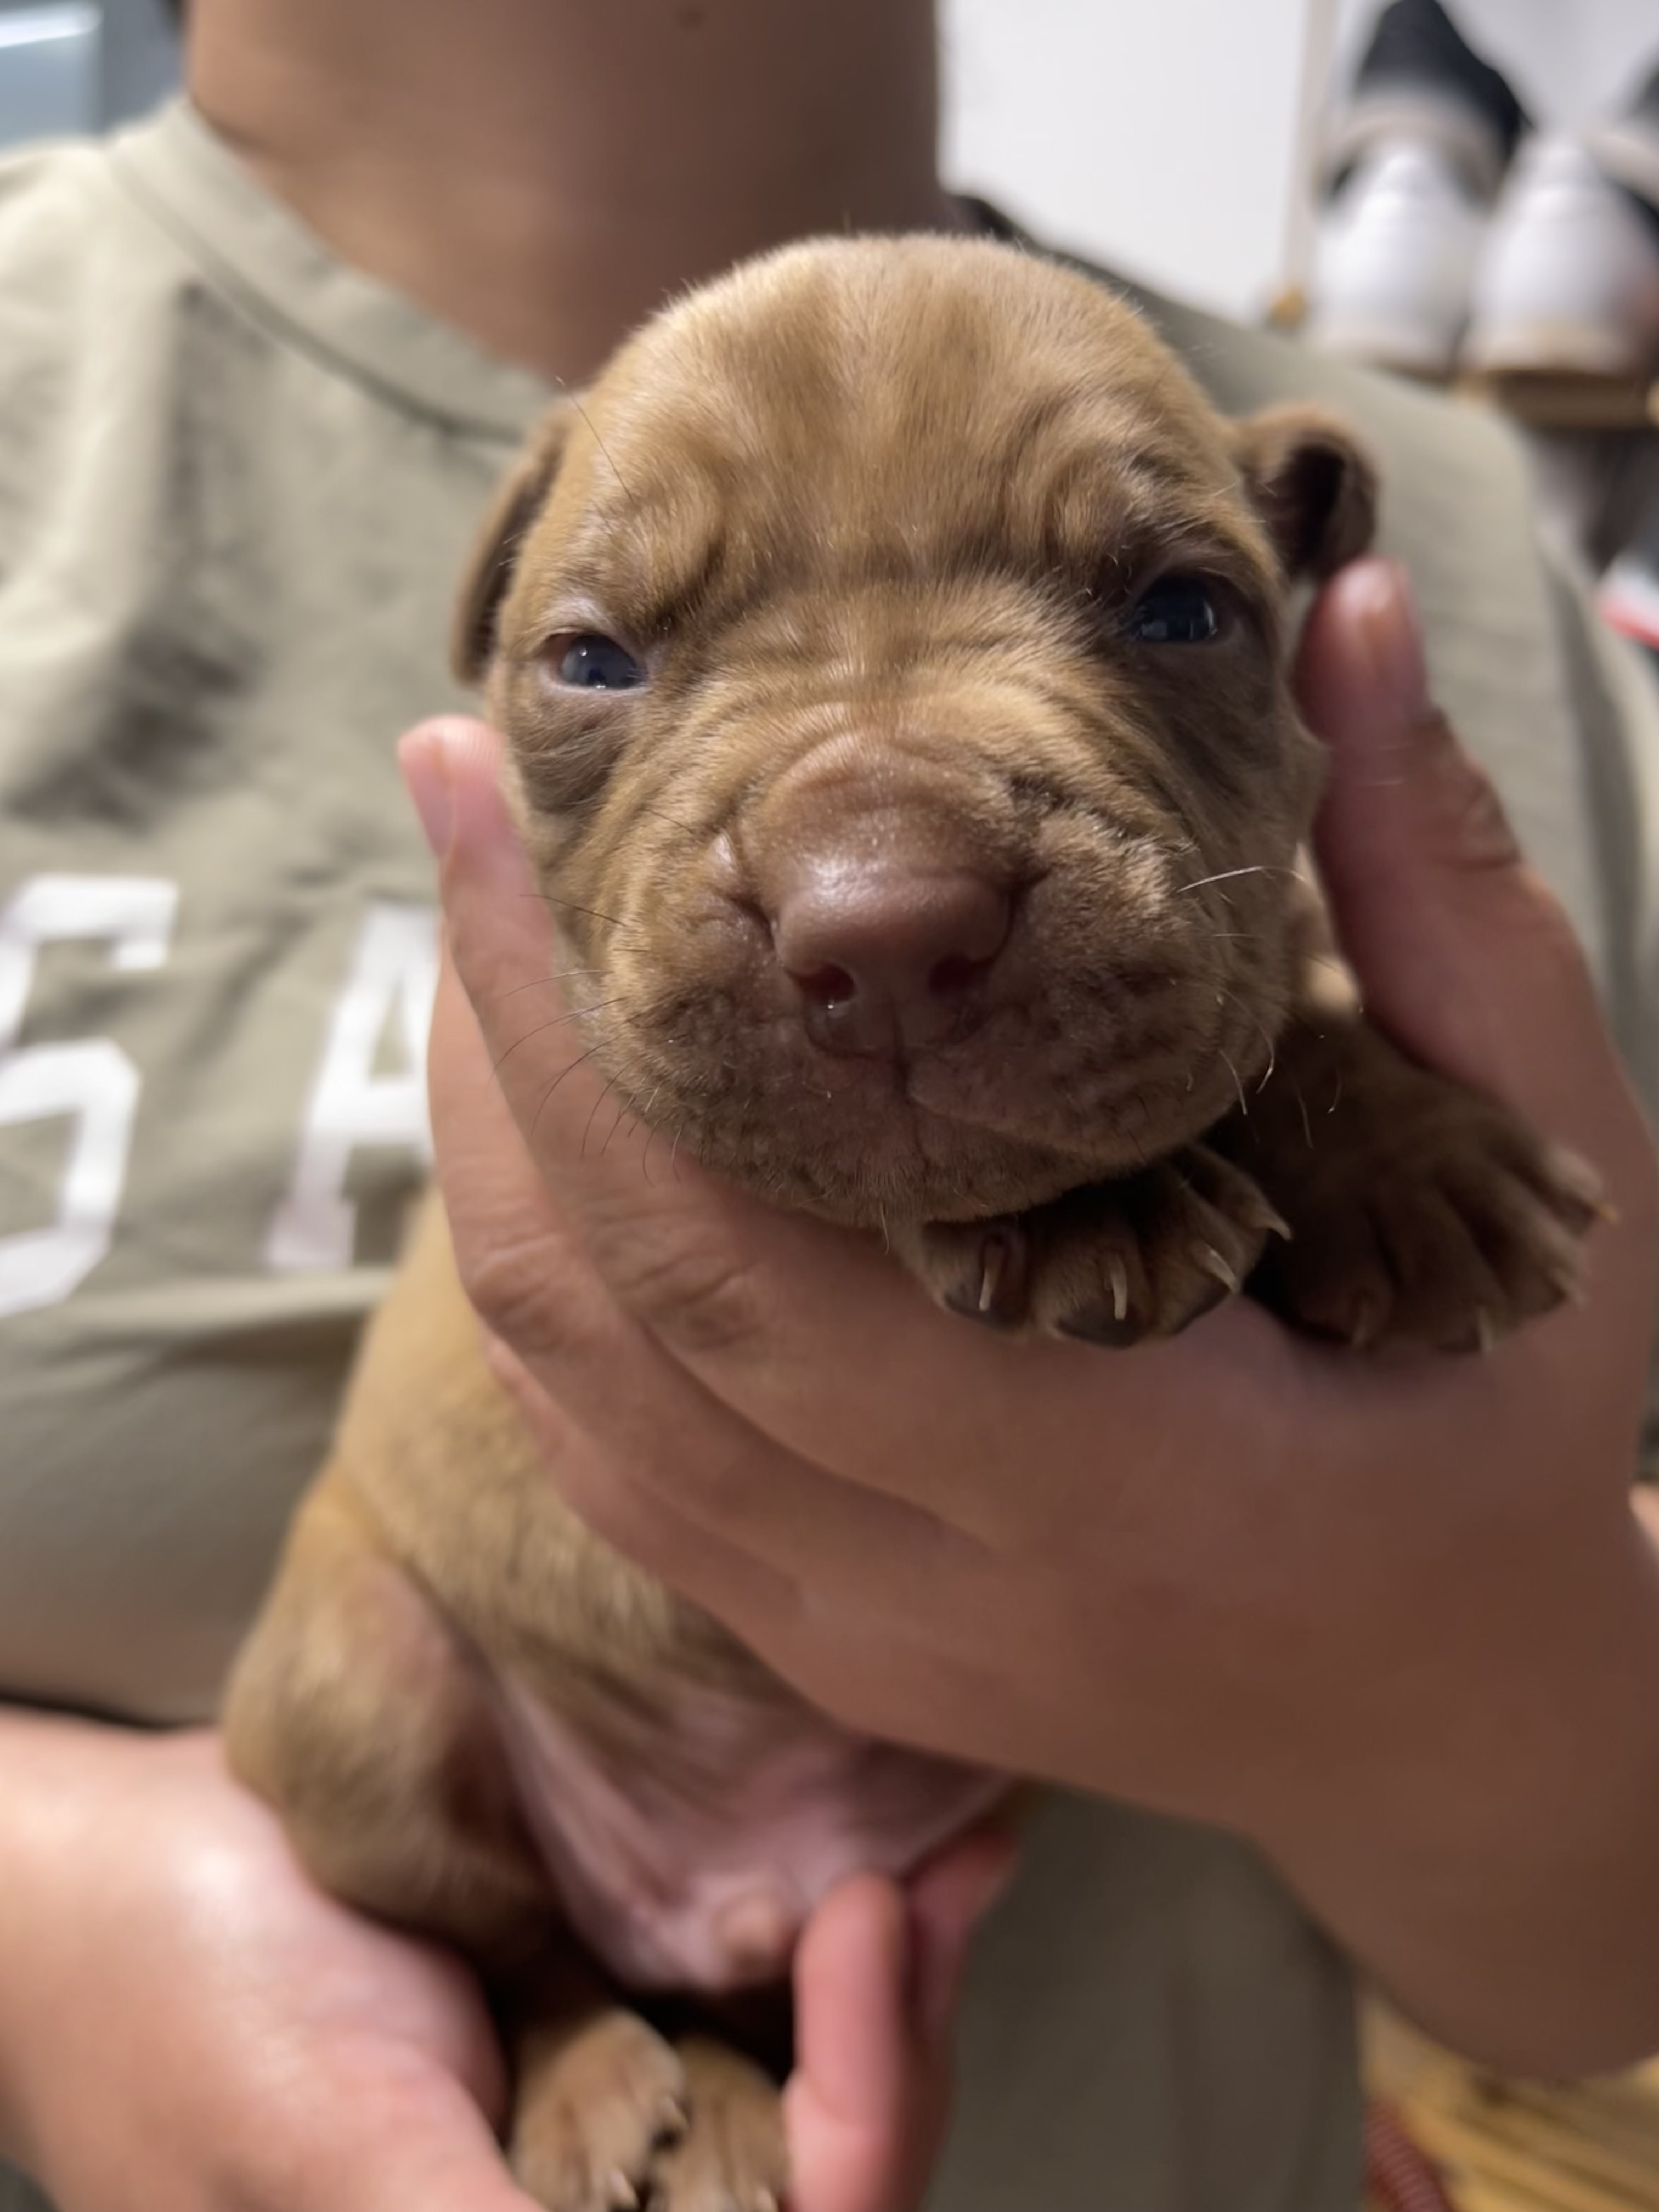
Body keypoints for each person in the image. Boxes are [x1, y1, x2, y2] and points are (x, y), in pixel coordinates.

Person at [2, 6, 1658, 2212]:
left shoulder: (1487, 597)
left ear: (1300, 571)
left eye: (1169, 611)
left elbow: (1596, 1969)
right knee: (361, 1720)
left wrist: (1483, 1682)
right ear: (487, 644)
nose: (875, 893)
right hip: (503, 1723)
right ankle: (571, 2011)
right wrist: (41, 1926)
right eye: (607, 661)